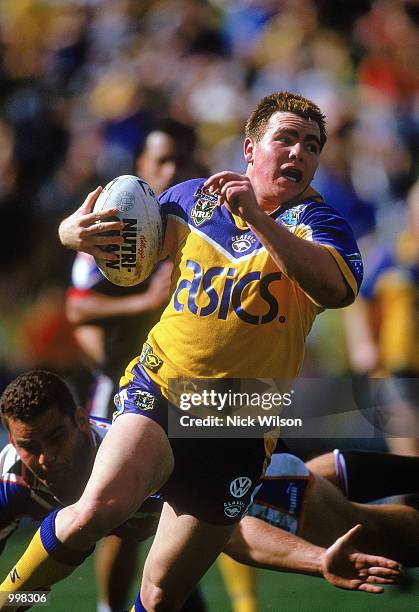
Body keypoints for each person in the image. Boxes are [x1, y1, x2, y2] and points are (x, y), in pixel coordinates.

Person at [0, 92, 364, 611]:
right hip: (164, 384)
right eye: (285, 138)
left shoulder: (322, 224)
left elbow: (337, 290)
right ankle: (11, 600)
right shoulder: (196, 198)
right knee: (97, 510)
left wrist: (259, 220)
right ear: (250, 148)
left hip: (241, 415)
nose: (299, 153)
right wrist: (69, 233)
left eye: (311, 146)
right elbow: (126, 237)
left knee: (161, 593)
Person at [0, 369, 413, 604]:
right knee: (298, 473)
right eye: (28, 446)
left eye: (56, 438)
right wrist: (28, 599)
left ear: (80, 419)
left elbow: (230, 530)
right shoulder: (10, 483)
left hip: (220, 435)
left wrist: (317, 559)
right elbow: (30, 591)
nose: (44, 458)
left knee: (378, 539)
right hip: (207, 413)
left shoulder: (131, 465)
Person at [66, 118, 207, 612]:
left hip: (193, 388)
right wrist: (143, 301)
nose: (171, 169)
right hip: (128, 388)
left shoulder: (202, 219)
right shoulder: (121, 219)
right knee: (123, 521)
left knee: (209, 503)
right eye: (161, 159)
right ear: (142, 165)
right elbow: (78, 306)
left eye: (181, 160)